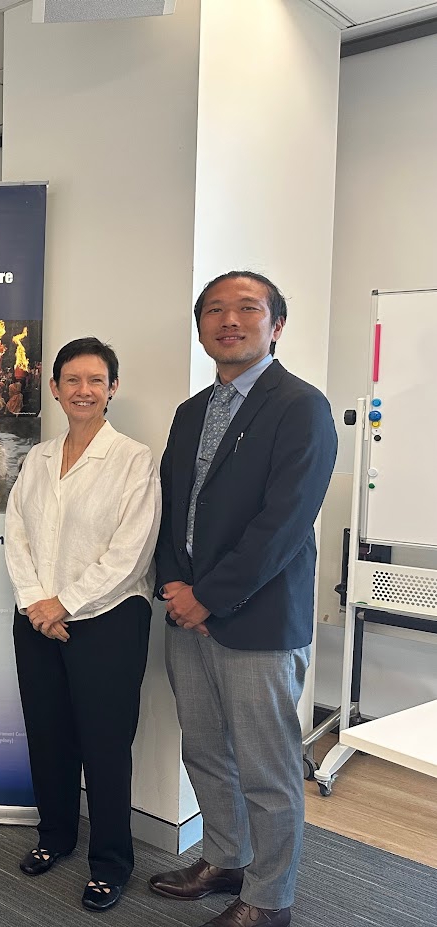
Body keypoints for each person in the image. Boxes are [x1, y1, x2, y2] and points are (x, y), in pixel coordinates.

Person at [150, 272, 336, 927]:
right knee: (203, 748)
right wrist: (175, 585)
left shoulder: (301, 406)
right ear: (202, 327)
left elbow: (281, 523)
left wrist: (209, 597)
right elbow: (173, 509)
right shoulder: (192, 411)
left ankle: (268, 897)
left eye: (247, 308)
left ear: (276, 324)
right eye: (215, 310)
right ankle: (224, 859)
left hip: (256, 619)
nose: (230, 320)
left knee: (267, 767)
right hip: (185, 614)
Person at [4, 337, 161, 912]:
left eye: (96, 381)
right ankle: (56, 837)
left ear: (112, 388)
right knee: (48, 735)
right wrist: (34, 601)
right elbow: (16, 532)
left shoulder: (133, 459)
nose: (83, 391)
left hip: (108, 619)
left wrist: (63, 603)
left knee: (104, 744)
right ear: (55, 388)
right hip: (36, 617)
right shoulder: (39, 458)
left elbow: (131, 551)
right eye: (72, 380)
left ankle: (111, 861)